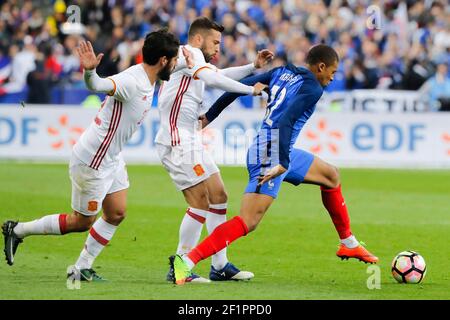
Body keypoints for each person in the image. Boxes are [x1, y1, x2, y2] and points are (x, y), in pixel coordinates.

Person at [171, 44, 379, 285]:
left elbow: (241, 87)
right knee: (248, 221)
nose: (333, 78)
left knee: (331, 176)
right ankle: (185, 262)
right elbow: (287, 121)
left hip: (279, 150)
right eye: (332, 72)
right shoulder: (312, 88)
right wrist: (282, 163)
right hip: (270, 154)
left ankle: (348, 243)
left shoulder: (281, 72)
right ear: (320, 67)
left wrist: (209, 116)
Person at [2, 29, 183, 281]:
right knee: (82, 222)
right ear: (163, 61)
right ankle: (18, 230)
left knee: (116, 213)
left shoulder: (150, 75)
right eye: (174, 61)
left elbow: (185, 59)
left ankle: (81, 268)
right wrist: (90, 72)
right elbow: (97, 85)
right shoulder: (132, 82)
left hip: (112, 157)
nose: (176, 65)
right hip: (93, 160)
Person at [156, 17, 271, 283]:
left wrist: (252, 67)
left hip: (189, 138)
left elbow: (217, 74)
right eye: (215, 42)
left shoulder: (193, 59)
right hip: (177, 140)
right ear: (198, 39)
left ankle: (219, 265)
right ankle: (180, 267)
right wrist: (249, 90)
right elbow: (213, 78)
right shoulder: (189, 54)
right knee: (200, 201)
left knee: (219, 195)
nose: (218, 47)